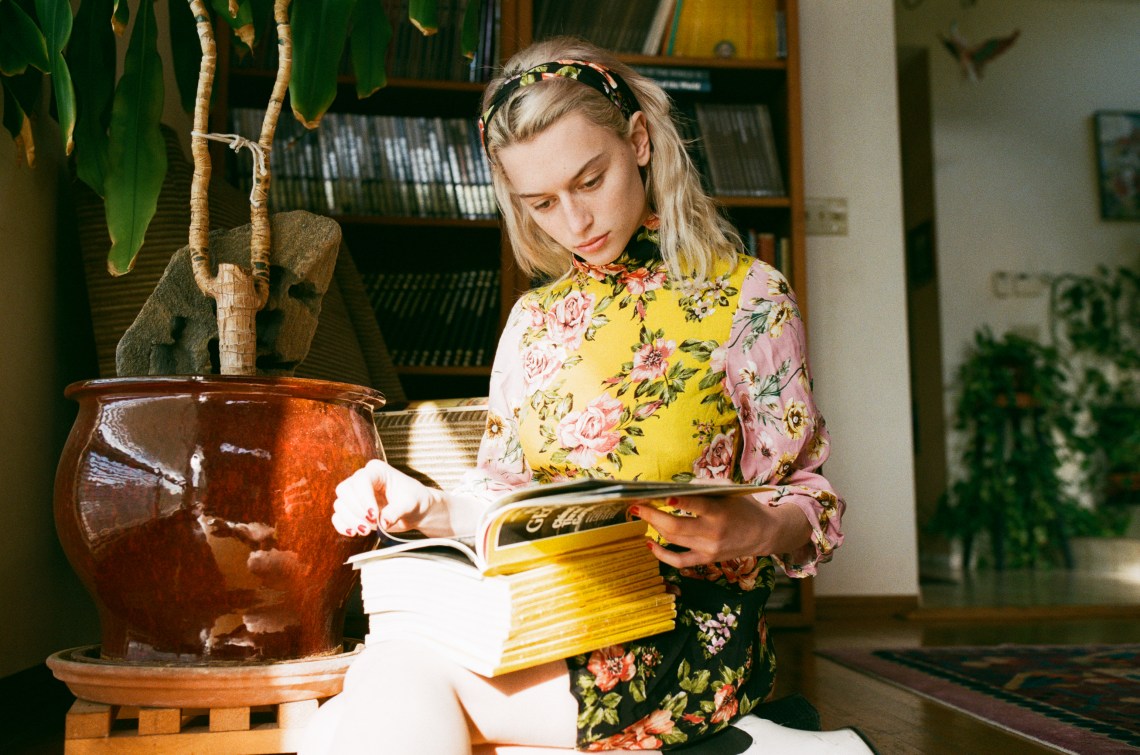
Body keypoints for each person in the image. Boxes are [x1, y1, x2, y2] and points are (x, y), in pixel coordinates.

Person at [305, 36, 873, 755]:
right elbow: (508, 501)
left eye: (589, 180)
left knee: (377, 695)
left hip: (686, 634)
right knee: (380, 687)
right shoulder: (533, 323)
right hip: (547, 616)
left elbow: (812, 495)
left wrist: (754, 529)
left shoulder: (748, 297)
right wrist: (427, 504)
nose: (573, 221)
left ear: (637, 140)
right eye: (540, 202)